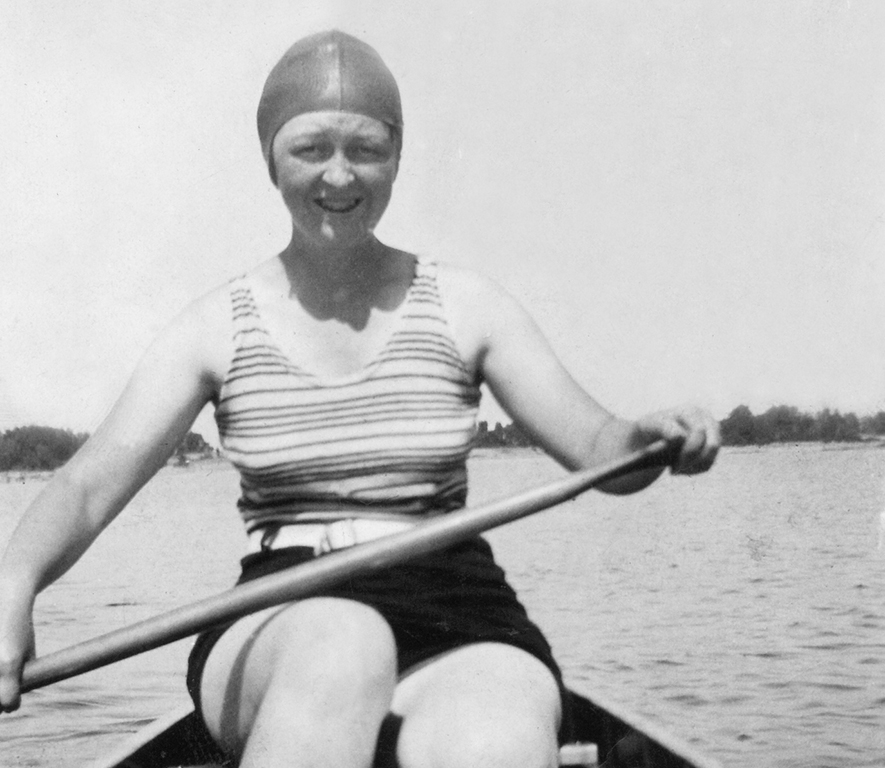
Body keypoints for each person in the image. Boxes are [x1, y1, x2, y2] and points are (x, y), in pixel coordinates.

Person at [0, 30, 719, 768]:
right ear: (270, 158)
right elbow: (86, 488)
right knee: (344, 645)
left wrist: (650, 439)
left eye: (365, 149)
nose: (338, 175)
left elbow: (604, 450)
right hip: (277, 614)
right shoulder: (213, 328)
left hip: (457, 608)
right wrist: (13, 584)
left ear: (397, 159)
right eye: (311, 148)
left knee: (492, 742)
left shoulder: (467, 307)